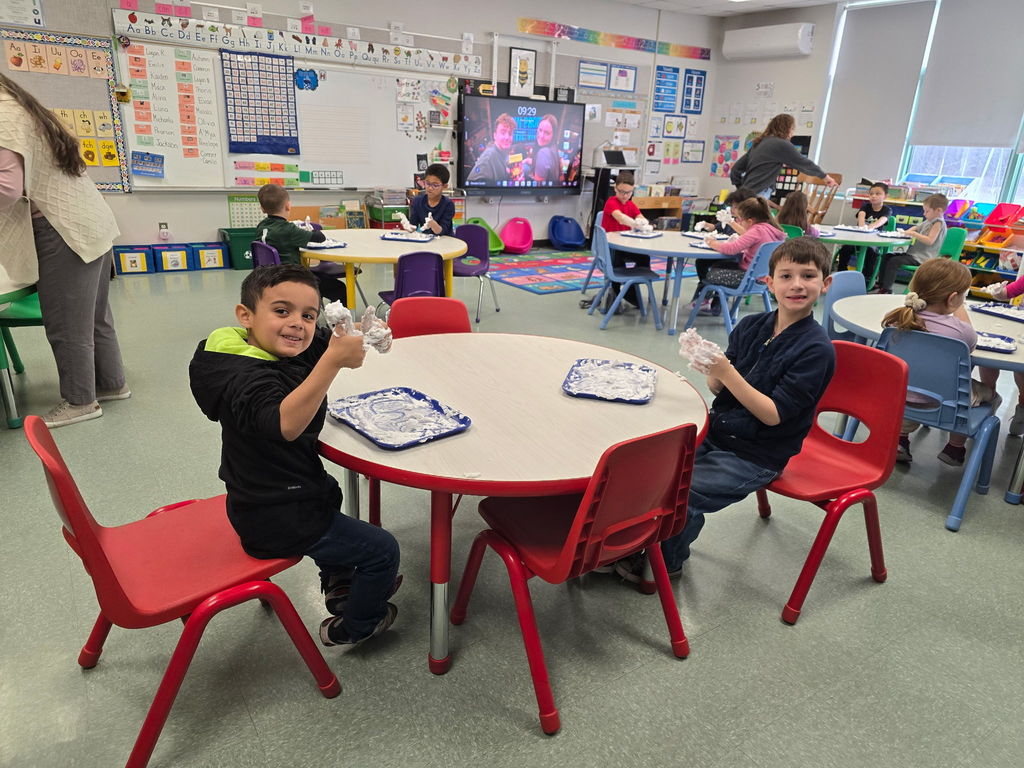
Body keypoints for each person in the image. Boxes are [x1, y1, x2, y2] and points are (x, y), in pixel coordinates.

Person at [189, 264, 401, 646]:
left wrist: (355, 336)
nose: (298, 325)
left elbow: (314, 347)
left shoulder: (265, 348)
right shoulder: (247, 377)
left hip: (272, 495)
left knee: (329, 492)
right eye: (282, 311)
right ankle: (356, 625)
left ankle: (338, 582)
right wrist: (333, 362)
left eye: (308, 314)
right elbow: (284, 423)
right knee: (383, 550)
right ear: (246, 316)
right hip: (275, 517)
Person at [616, 237, 836, 580]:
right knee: (651, 470)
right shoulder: (750, 327)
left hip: (757, 454)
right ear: (769, 282)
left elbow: (773, 414)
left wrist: (726, 372)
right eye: (786, 275)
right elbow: (720, 388)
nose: (796, 285)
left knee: (683, 495)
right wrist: (709, 366)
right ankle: (636, 543)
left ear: (825, 284)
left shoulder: (816, 350)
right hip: (718, 430)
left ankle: (666, 565)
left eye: (808, 276)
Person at [0, 73, 128, 428]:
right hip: (90, 220)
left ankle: (80, 401)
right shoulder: (19, 106)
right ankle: (112, 385)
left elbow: (6, 189)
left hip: (61, 228)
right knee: (95, 317)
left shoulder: (2, 115)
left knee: (66, 323)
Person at [882, 258, 998, 466]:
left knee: (914, 384)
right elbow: (970, 345)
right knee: (989, 396)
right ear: (953, 298)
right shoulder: (962, 332)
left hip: (896, 398)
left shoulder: (895, 321)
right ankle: (955, 447)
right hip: (946, 405)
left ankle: (900, 440)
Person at [254, 183, 345, 304]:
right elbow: (319, 237)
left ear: (262, 208)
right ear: (288, 206)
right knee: (339, 288)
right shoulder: (288, 229)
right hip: (291, 279)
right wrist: (308, 229)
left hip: (266, 278)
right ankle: (341, 322)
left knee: (317, 275)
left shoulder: (261, 226)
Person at [693, 197, 785, 315]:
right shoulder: (769, 229)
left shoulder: (756, 231)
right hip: (763, 279)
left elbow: (731, 249)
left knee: (710, 274)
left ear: (750, 221)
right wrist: (731, 223)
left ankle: (706, 300)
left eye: (740, 220)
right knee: (719, 265)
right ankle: (713, 303)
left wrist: (711, 242)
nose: (739, 223)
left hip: (747, 279)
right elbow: (748, 236)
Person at [729, 113, 837, 199]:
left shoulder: (759, 143)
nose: (793, 134)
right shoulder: (781, 144)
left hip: (745, 194)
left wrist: (741, 187)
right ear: (787, 129)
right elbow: (804, 164)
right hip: (759, 193)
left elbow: (735, 170)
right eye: (792, 129)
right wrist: (825, 177)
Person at [977, 278, 1024, 436]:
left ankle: (1023, 405)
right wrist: (999, 292)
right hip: (1017, 325)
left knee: (1021, 369)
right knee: (990, 353)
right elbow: (1006, 293)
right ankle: (989, 395)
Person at [598, 171, 651, 311]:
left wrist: (643, 221)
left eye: (628, 192)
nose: (625, 195)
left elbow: (640, 216)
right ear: (615, 188)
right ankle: (616, 294)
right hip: (610, 247)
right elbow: (620, 217)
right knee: (617, 263)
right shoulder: (611, 202)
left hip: (625, 246)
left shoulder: (631, 205)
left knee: (644, 258)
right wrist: (635, 223)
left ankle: (633, 286)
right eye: (621, 191)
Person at [875, 194, 949, 294]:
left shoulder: (938, 223)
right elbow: (916, 227)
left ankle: (887, 289)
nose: (924, 214)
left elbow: (930, 240)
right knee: (887, 256)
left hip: (923, 258)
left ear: (939, 211)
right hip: (913, 254)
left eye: (927, 211)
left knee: (894, 261)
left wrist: (913, 234)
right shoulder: (929, 220)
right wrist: (907, 232)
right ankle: (881, 284)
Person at [836, 182, 892, 273]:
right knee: (846, 247)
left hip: (874, 241)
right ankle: (841, 271)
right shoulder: (865, 206)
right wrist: (862, 228)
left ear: (885, 196)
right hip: (859, 239)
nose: (873, 196)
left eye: (877, 194)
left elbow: (882, 220)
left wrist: (870, 228)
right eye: (871, 194)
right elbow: (861, 216)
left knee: (871, 251)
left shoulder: (887, 210)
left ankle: (867, 276)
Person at [467, 113, 516, 185]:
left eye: (510, 133)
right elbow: (473, 184)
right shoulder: (489, 156)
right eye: (503, 132)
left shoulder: (502, 153)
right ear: (495, 135)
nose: (507, 137)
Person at [409, 163, 455, 236]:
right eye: (427, 183)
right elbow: (413, 226)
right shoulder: (417, 201)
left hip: (445, 241)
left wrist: (433, 225)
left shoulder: (448, 204)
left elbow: (442, 231)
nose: (430, 188)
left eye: (435, 185)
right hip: (426, 240)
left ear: (445, 186)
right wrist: (407, 226)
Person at [527, 114, 562, 185]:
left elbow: (538, 188)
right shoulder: (554, 149)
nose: (541, 136)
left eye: (547, 133)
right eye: (540, 130)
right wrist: (532, 161)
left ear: (553, 135)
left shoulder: (543, 153)